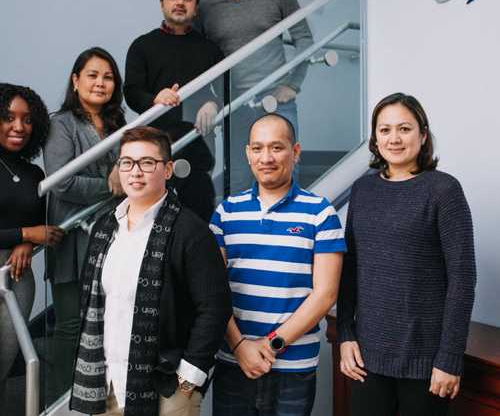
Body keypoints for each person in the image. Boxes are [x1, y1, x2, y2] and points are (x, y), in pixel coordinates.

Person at [70, 126, 232, 416]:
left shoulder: (191, 231)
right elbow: (92, 302)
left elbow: (215, 307)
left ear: (168, 170)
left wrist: (189, 378)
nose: (135, 172)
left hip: (167, 387)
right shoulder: (105, 228)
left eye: (147, 163)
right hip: (107, 384)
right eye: (127, 163)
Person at [336, 93, 476, 416]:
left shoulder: (444, 191)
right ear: (375, 139)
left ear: (423, 135)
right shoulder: (363, 190)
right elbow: (351, 269)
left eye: (404, 129)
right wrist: (345, 334)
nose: (394, 139)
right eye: (384, 130)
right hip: (366, 359)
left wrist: (449, 357)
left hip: (427, 365)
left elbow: (462, 279)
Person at [209, 113, 345, 416]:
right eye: (257, 148)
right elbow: (213, 291)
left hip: (293, 369)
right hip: (234, 363)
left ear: (295, 152)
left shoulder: (321, 213)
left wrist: (269, 346)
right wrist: (240, 346)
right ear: (247, 154)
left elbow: (325, 294)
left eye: (276, 147)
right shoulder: (226, 213)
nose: (266, 157)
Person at [199, 0, 314, 192]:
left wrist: (293, 85)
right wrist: (211, 99)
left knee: (286, 175)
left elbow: (304, 39)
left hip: (277, 102)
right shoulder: (205, 5)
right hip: (235, 105)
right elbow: (197, 58)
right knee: (238, 179)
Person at [43, 47, 126, 398]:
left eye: (108, 77)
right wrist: (112, 185)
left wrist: (122, 183)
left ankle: (98, 400)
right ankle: (59, 402)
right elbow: (62, 182)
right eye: (92, 75)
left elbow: (134, 176)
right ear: (76, 81)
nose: (100, 83)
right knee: (70, 326)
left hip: (113, 234)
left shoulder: (121, 124)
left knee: (109, 325)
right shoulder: (59, 123)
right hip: (71, 235)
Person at [124, 0, 224, 220]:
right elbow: (131, 92)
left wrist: (214, 104)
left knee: (199, 225)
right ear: (162, 3)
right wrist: (154, 99)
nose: (180, 2)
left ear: (195, 7)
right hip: (155, 155)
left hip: (199, 152)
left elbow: (226, 90)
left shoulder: (210, 49)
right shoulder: (142, 46)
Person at [0, 83, 64, 407]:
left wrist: (26, 243)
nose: (19, 127)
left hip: (17, 276)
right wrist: (24, 235)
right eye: (8, 117)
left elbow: (41, 225)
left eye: (27, 120)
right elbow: (30, 229)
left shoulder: (33, 172)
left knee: (3, 364)